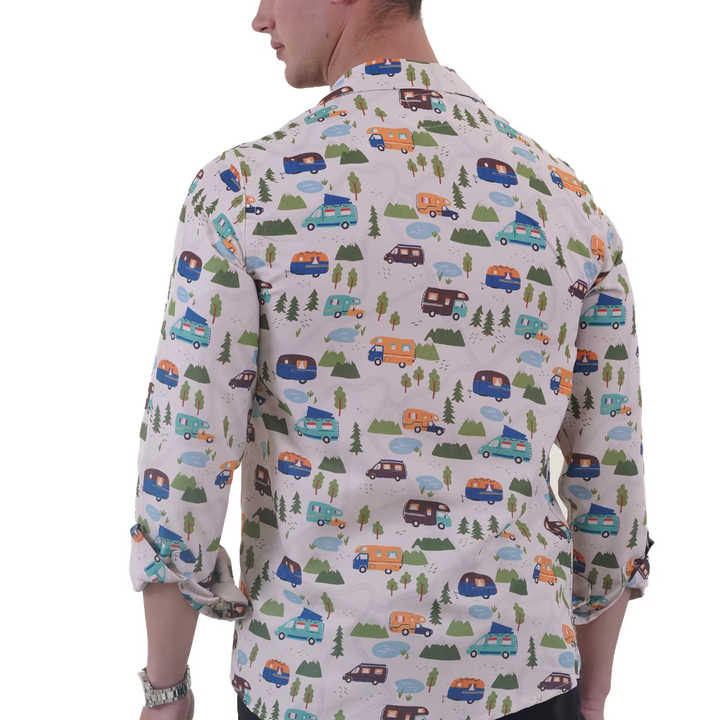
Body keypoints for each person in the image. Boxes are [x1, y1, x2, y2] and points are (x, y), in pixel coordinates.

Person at [128, 2, 654, 719]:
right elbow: (611, 478)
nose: (260, 17)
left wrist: (166, 688)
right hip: (524, 683)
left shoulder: (242, 194)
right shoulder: (566, 205)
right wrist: (592, 693)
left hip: (311, 685)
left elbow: (185, 459)